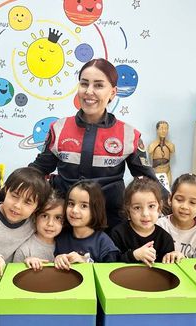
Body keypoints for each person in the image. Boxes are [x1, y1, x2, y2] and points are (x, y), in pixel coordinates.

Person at [29, 58, 163, 230]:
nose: (89, 91)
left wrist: (175, 204)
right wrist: (11, 190)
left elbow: (148, 180)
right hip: (66, 222)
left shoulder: (129, 135)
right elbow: (38, 170)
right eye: (84, 84)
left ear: (113, 92)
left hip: (110, 224)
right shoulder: (59, 128)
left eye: (98, 85)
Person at [110, 177, 175, 267]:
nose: (145, 214)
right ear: (128, 208)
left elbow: (169, 268)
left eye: (151, 206)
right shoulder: (118, 234)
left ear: (159, 207)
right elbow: (111, 263)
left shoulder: (165, 239)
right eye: (137, 207)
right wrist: (134, 255)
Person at [54, 181, 120, 270]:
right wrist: (57, 259)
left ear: (96, 209)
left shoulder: (103, 242)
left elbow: (111, 273)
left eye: (84, 206)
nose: (74, 210)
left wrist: (86, 262)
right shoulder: (59, 237)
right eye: (71, 204)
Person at [156, 173, 196, 258]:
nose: (184, 206)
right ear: (170, 199)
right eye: (179, 199)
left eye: (192, 202)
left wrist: (183, 259)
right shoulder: (158, 225)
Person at [13, 190, 64, 270]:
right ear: (35, 217)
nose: (50, 223)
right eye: (44, 216)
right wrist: (26, 264)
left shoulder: (66, 244)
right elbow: (14, 274)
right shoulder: (25, 250)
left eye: (58, 218)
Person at [148, 120, 175, 187]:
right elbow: (150, 151)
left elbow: (172, 150)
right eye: (161, 128)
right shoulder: (152, 145)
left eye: (166, 128)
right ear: (157, 130)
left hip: (167, 171)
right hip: (156, 172)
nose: (164, 131)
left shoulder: (170, 145)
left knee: (167, 190)